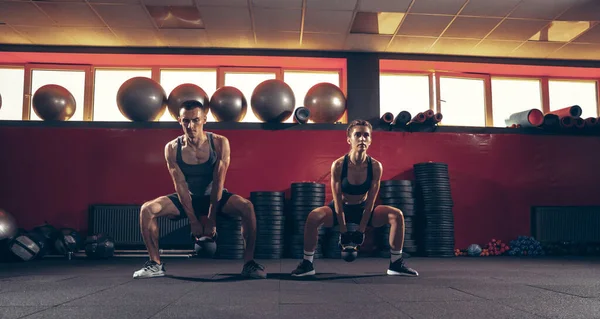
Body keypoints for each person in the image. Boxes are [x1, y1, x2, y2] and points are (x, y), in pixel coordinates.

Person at [133, 100, 266, 279]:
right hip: (187, 197)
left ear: (204, 120)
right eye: (186, 121)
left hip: (215, 196)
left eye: (195, 120)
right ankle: (155, 264)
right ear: (179, 120)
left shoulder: (219, 143)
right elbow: (180, 185)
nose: (191, 126)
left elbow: (219, 182)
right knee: (147, 209)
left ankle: (249, 263)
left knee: (247, 207)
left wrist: (211, 219)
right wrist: (193, 221)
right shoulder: (172, 148)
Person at [291, 119, 418, 277]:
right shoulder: (338, 165)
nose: (362, 139)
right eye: (357, 135)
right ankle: (307, 264)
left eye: (366, 135)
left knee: (396, 215)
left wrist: (361, 230)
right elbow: (337, 200)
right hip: (340, 208)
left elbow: (371, 200)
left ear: (370, 140)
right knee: (313, 216)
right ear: (349, 139)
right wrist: (343, 232)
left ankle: (396, 263)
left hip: (364, 208)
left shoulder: (375, 166)